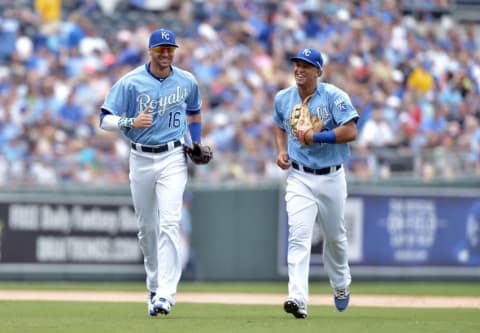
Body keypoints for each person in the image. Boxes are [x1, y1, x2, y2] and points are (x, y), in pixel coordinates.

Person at [99, 28, 209, 317]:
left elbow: (194, 111)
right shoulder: (131, 81)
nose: (165, 53)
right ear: (150, 51)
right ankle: (153, 283)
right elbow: (104, 120)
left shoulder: (186, 80)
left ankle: (165, 294)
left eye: (169, 48)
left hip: (173, 155)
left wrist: (195, 140)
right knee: (147, 228)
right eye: (160, 48)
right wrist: (131, 121)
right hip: (140, 156)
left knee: (170, 223)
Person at [272, 47, 359, 318]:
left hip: (331, 175)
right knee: (298, 237)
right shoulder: (283, 98)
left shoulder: (334, 96)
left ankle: (341, 283)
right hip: (299, 176)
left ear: (318, 71)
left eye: (306, 65)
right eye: (297, 64)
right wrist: (280, 150)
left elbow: (351, 130)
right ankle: (297, 299)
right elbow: (278, 124)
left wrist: (316, 137)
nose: (299, 69)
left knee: (336, 238)